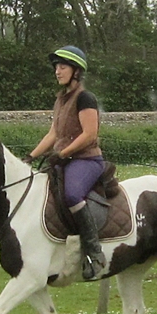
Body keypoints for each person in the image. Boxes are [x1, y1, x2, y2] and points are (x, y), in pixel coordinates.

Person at [28, 45, 107, 281]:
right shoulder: (61, 99)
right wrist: (31, 157)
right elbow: (53, 133)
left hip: (87, 160)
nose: (57, 71)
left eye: (62, 67)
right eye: (56, 67)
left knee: (72, 195)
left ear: (76, 71)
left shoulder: (85, 98)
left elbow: (89, 134)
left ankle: (94, 252)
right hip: (66, 159)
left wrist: (63, 153)